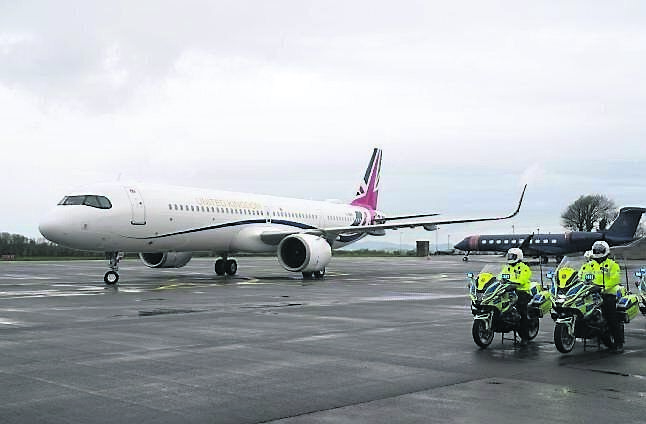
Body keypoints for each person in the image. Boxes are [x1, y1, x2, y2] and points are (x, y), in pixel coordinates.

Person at [579, 240, 623, 353]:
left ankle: (619, 343)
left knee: (611, 317)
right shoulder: (588, 265)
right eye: (596, 250)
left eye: (600, 250)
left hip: (607, 294)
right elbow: (580, 276)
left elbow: (615, 279)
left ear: (606, 251)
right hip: (591, 293)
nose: (598, 252)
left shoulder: (613, 265)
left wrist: (603, 288)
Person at [500, 247, 532, 346]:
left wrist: (513, 284)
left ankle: (525, 337)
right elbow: (501, 276)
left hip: (522, 292)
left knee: (521, 313)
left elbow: (523, 279)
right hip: (508, 290)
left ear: (518, 256)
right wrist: (498, 281)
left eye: (512, 256)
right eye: (509, 256)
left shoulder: (524, 267)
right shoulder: (507, 267)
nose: (510, 258)